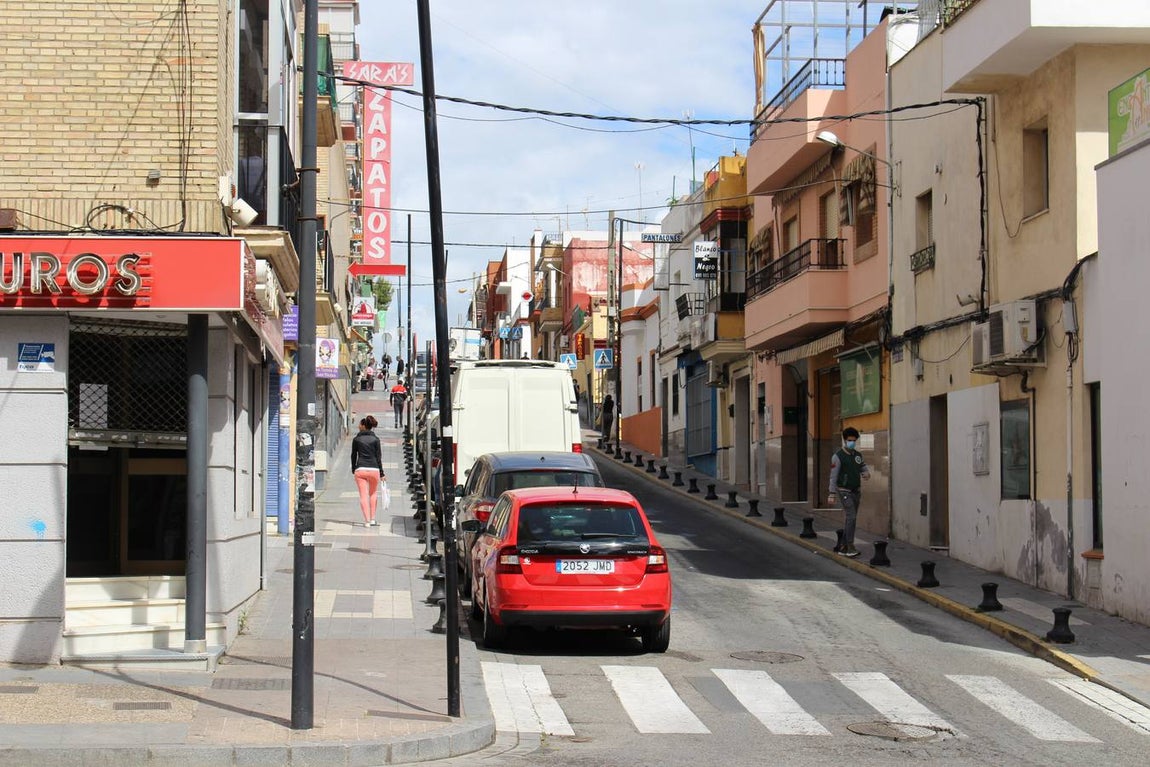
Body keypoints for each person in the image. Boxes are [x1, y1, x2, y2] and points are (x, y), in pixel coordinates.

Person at [827, 426, 871, 557]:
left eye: (854, 440)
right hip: (844, 491)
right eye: (849, 440)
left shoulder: (857, 455)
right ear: (845, 440)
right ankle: (850, 546)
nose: (852, 442)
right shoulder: (838, 457)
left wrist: (866, 473)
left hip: (856, 490)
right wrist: (831, 493)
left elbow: (862, 466)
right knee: (851, 517)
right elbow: (833, 476)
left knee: (850, 519)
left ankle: (843, 546)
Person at [350, 415, 385, 527]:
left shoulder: (356, 439)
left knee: (363, 495)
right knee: (373, 493)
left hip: (360, 469)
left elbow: (353, 455)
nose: (358, 426)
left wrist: (354, 469)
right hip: (374, 469)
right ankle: (373, 519)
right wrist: (382, 473)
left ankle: (367, 521)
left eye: (360, 424)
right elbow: (378, 457)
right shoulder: (376, 440)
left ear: (364, 426)